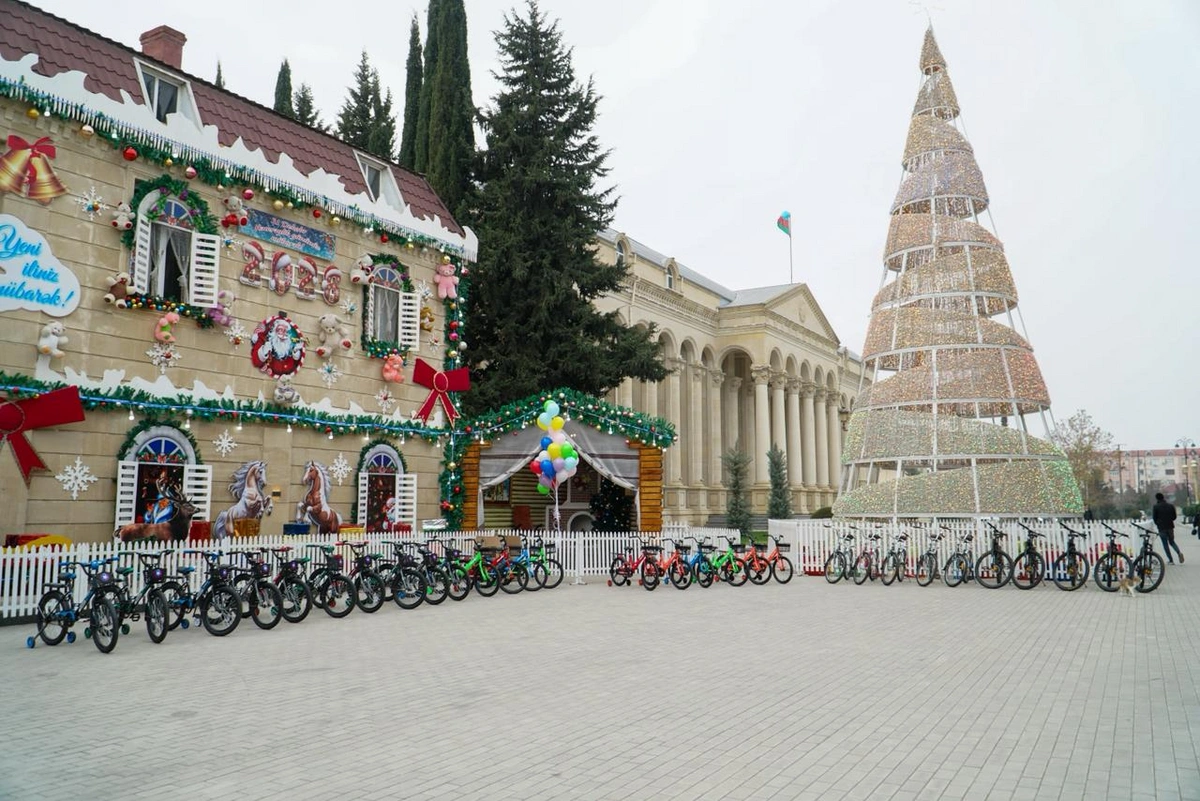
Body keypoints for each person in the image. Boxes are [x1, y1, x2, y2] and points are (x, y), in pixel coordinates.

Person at [1151, 492, 1183, 564]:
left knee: (1165, 544)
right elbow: (1174, 517)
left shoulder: (1156, 507)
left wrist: (1158, 523)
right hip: (1170, 527)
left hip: (1161, 528)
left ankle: (1171, 560)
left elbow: (1154, 518)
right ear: (1163, 497)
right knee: (1172, 542)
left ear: (1157, 498)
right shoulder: (1170, 506)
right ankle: (1179, 552)